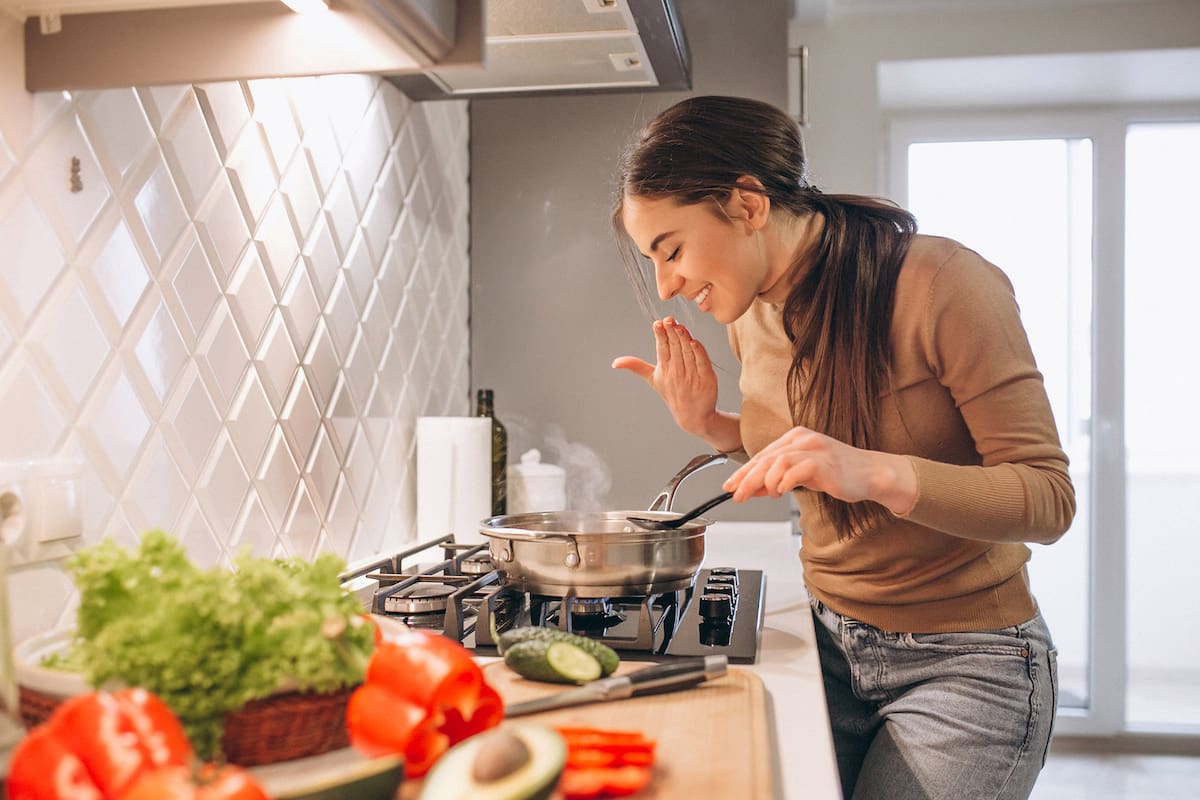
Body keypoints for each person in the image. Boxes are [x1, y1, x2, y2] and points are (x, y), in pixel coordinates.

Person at [610, 95, 1075, 800]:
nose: (667, 285)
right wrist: (711, 425)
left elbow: (1047, 498)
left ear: (747, 204)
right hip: (827, 642)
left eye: (671, 250)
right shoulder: (752, 313)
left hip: (969, 664)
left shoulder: (943, 284)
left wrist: (874, 472)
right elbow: (809, 457)